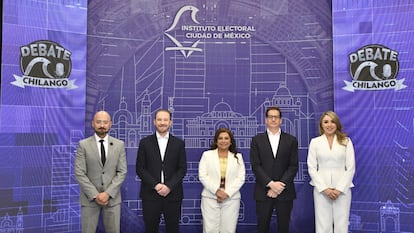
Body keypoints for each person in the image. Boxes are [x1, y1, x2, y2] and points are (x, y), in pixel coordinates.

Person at [74, 110, 127, 233]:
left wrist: (107, 193)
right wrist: (95, 194)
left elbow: (122, 171)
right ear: (93, 124)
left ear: (110, 124)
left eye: (105, 122)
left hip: (112, 199)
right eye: (98, 122)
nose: (102, 125)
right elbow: (79, 173)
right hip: (89, 199)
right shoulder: (83, 145)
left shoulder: (119, 145)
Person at [136, 109, 187, 233]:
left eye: (165, 120)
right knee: (150, 229)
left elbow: (182, 169)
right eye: (159, 119)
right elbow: (140, 168)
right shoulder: (145, 143)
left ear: (171, 122)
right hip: (150, 194)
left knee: (173, 229)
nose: (162, 123)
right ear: (154, 122)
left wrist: (169, 186)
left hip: (173, 194)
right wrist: (156, 185)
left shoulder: (179, 143)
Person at [250, 106, 299, 233]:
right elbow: (256, 165)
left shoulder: (291, 140)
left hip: (285, 191)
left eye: (276, 117)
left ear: (280, 120)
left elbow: (293, 166)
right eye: (270, 117)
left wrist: (279, 186)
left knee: (284, 227)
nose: (273, 119)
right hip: (263, 191)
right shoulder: (257, 140)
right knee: (262, 227)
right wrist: (271, 184)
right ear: (266, 120)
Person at [307, 111, 355, 233]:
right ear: (321, 125)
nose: (329, 125)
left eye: (332, 121)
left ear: (337, 124)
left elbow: (350, 168)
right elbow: (311, 167)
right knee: (322, 226)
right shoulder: (315, 142)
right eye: (326, 122)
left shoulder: (346, 141)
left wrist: (339, 189)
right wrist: (325, 189)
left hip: (342, 191)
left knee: (342, 225)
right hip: (321, 191)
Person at [198, 128, 246, 233]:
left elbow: (241, 177)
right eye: (220, 138)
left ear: (230, 141)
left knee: (228, 230)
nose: (223, 141)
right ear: (216, 141)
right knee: (210, 229)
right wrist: (217, 191)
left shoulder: (238, 157)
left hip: (231, 199)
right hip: (210, 198)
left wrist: (226, 193)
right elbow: (202, 175)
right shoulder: (207, 155)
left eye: (226, 138)